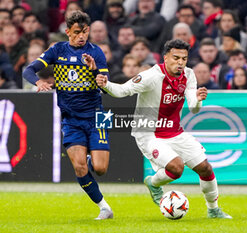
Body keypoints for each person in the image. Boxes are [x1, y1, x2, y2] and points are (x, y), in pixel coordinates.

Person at [96, 39, 232, 219]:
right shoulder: (151, 76)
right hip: (149, 134)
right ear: (165, 58)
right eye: (176, 58)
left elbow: (193, 108)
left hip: (175, 131)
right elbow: (122, 90)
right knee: (177, 168)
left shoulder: (189, 75)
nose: (180, 62)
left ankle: (213, 210)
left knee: (205, 168)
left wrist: (198, 98)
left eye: (184, 58)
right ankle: (153, 183)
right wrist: (106, 84)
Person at [23, 10, 113, 220]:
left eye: (84, 32)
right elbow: (28, 70)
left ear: (89, 31)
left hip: (97, 115)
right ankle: (104, 208)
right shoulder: (57, 50)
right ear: (67, 32)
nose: (81, 36)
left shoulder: (96, 52)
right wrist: (38, 82)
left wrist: (94, 70)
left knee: (100, 169)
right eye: (77, 32)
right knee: (79, 167)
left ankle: (93, 157)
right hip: (70, 118)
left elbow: (105, 85)